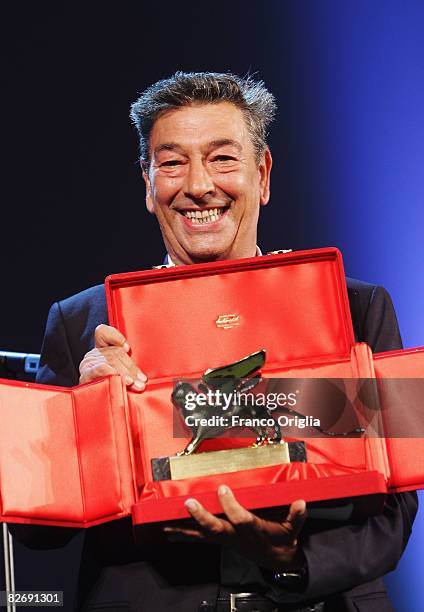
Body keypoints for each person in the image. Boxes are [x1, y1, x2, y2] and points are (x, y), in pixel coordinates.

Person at [16, 73, 418, 612]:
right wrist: (83, 420)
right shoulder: (80, 322)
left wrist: (292, 559)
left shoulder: (354, 308)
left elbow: (394, 510)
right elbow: (38, 532)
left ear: (263, 174)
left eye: (223, 159)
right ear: (147, 182)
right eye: (173, 162)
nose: (199, 185)